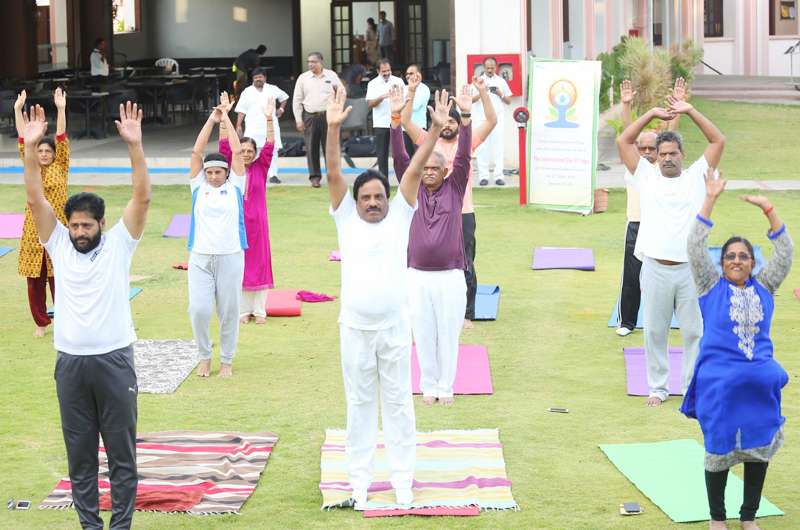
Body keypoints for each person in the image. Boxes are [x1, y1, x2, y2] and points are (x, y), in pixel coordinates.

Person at [22, 101, 150, 530]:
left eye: (86, 226)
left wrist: (135, 145)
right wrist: (29, 145)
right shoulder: (55, 242)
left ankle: (122, 526)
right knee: (79, 456)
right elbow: (35, 196)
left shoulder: (119, 244)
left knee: (121, 455)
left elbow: (142, 197)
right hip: (71, 366)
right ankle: (90, 526)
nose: (79, 233)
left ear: (100, 224)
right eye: (74, 226)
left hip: (114, 361)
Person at [325, 87, 450, 507]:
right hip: (355, 332)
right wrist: (332, 129)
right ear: (355, 202)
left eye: (379, 196)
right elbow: (332, 175)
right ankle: (359, 485)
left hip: (395, 330)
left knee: (398, 407)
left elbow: (413, 170)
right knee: (359, 408)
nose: (374, 202)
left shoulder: (400, 213)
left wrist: (432, 130)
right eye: (367, 198)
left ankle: (401, 484)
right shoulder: (345, 217)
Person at [681, 171, 793, 530]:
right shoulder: (709, 286)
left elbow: (786, 251)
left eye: (744, 256)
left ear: (753, 263)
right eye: (730, 255)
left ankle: (748, 518)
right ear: (722, 261)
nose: (737, 260)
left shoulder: (765, 286)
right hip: (721, 388)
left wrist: (769, 209)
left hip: (760, 389)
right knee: (717, 452)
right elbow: (696, 246)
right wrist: (710, 197)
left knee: (758, 453)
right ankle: (717, 519)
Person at [618, 94, 726, 407]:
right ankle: (658, 388)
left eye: (672, 153)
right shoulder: (645, 176)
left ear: (682, 154)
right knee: (654, 331)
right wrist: (651, 112)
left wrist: (690, 109)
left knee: (693, 331)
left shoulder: (695, 177)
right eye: (662, 153)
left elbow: (718, 139)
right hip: (654, 268)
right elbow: (625, 140)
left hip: (691, 269)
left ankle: (691, 388)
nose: (667, 158)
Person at [389, 83, 472, 405]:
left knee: (449, 336)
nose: (427, 173)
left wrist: (464, 116)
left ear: (445, 171)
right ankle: (428, 387)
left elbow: (464, 154)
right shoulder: (411, 192)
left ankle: (446, 389)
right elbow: (399, 156)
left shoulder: (455, 185)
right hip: (417, 275)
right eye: (423, 168)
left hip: (451, 276)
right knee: (422, 335)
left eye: (434, 168)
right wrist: (396, 118)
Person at [401, 73, 497, 329]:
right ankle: (429, 311)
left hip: (462, 212)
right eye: (445, 121)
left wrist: (482, 92)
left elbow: (492, 120)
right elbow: (406, 120)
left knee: (464, 261)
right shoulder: (426, 140)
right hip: (429, 212)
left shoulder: (468, 142)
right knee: (427, 261)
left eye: (453, 121)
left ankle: (466, 313)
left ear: (458, 124)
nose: (448, 125)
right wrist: (411, 91)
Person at [615, 78, 685, 337]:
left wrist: (677, 106)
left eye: (650, 148)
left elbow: (672, 136)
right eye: (641, 147)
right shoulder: (635, 168)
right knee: (631, 277)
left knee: (667, 274)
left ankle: (675, 317)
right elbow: (626, 136)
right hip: (635, 224)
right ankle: (627, 321)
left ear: (659, 151)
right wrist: (626, 106)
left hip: (660, 226)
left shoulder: (661, 168)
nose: (645, 151)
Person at [188, 92, 247, 378]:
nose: (212, 176)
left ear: (226, 174)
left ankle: (226, 360)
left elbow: (236, 153)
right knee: (198, 310)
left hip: (230, 256)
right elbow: (196, 153)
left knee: (228, 312)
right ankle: (204, 356)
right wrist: (213, 119)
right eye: (209, 172)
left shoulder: (236, 186)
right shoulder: (198, 187)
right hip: (200, 257)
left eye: (217, 172)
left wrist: (228, 120)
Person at [14, 88, 68, 338]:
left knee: (61, 276)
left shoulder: (61, 166)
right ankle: (41, 322)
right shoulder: (30, 167)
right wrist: (17, 110)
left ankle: (66, 318)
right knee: (35, 280)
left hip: (59, 229)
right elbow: (24, 142)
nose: (44, 154)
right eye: (40, 151)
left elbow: (61, 137)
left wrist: (60, 109)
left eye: (48, 151)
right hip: (33, 231)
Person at [223, 95, 276, 325]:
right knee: (241, 266)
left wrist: (269, 119)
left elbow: (270, 145)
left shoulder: (261, 168)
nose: (246, 154)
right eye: (242, 150)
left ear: (255, 154)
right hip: (237, 226)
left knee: (260, 264)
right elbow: (224, 145)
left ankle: (260, 312)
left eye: (250, 151)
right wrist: (224, 116)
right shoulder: (232, 170)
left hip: (259, 226)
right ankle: (244, 311)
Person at [292, 52, 345, 188]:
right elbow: (297, 100)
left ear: (321, 62)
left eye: (313, 62)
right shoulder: (303, 78)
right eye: (308, 62)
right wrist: (299, 119)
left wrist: (338, 108)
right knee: (311, 147)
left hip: (329, 116)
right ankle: (315, 177)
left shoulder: (331, 75)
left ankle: (333, 176)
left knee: (332, 147)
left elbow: (342, 91)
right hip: (310, 115)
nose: (310, 64)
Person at [234, 67, 288, 184]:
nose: (258, 79)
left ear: (265, 78)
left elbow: (284, 97)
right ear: (252, 79)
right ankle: (252, 174)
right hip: (253, 126)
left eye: (260, 77)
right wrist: (238, 124)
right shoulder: (247, 91)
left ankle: (273, 175)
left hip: (270, 126)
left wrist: (281, 109)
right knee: (251, 150)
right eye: (255, 77)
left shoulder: (272, 89)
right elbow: (241, 109)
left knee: (272, 150)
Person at [471, 57, 512, 186]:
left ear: (496, 67)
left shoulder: (501, 81)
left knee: (498, 147)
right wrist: (483, 92)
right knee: (482, 147)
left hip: (498, 119)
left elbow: (509, 101)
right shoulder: (478, 81)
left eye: (492, 68)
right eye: (487, 68)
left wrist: (499, 93)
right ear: (483, 67)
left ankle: (499, 176)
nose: (489, 70)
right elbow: (471, 100)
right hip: (482, 119)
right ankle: (484, 176)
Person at [366, 59, 404, 178]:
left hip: (397, 122)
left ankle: (403, 180)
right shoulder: (372, 84)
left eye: (388, 70)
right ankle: (383, 181)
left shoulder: (398, 81)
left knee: (399, 153)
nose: (387, 73)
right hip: (381, 123)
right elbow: (370, 104)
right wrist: (383, 97)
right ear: (378, 71)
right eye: (384, 71)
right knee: (382, 155)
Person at [402, 64, 430, 157]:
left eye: (411, 73)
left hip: (418, 128)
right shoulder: (404, 88)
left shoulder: (424, 89)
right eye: (407, 74)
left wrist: (404, 103)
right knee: (406, 159)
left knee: (419, 158)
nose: (408, 76)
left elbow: (414, 105)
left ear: (418, 75)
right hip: (404, 128)